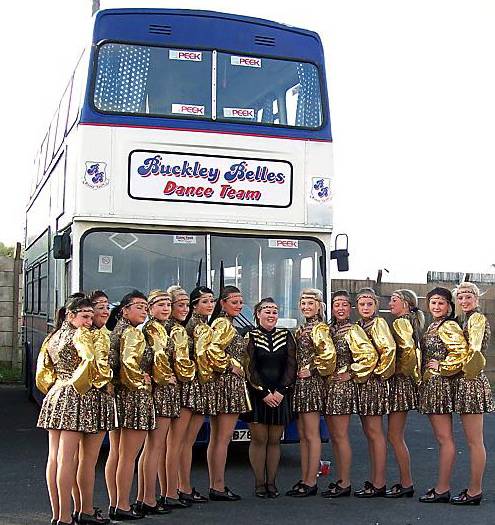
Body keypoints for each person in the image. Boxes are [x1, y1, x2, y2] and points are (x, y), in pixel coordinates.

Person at [36, 296, 99, 525]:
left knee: (55, 457)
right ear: (70, 316)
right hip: (74, 396)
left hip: (55, 394)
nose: (89, 321)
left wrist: (54, 387)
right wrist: (81, 386)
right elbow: (90, 361)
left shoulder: (52, 337)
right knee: (67, 459)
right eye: (85, 316)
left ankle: (57, 515)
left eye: (91, 317)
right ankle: (64, 516)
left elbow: (42, 372)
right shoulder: (80, 335)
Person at [418, 287, 469, 503]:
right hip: (432, 385)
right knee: (442, 439)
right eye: (433, 302)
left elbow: (461, 352)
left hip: (440, 386)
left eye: (441, 303)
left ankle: (442, 488)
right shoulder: (432, 326)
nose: (436, 306)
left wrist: (443, 366)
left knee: (445, 439)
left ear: (449, 306)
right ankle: (442, 486)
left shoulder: (448, 326)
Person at [244, 297, 296, 498]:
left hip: (280, 394)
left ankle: (271, 483)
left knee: (274, 441)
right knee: (259, 439)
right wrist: (263, 392)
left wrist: (281, 390)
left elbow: (292, 365)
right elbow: (249, 367)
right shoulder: (250, 336)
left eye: (274, 311)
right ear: (258, 314)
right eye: (267, 311)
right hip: (258, 395)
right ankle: (259, 483)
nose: (271, 315)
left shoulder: (286, 335)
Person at [202, 285, 250, 501]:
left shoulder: (224, 323)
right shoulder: (224, 324)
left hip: (221, 384)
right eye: (234, 302)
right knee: (223, 438)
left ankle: (216, 484)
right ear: (223, 303)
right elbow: (213, 349)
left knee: (217, 438)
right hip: (228, 385)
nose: (238, 306)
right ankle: (218, 486)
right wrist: (231, 366)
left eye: (240, 302)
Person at [288, 288, 336, 498]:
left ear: (319, 306)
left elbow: (328, 355)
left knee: (311, 433)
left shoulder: (320, 328)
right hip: (299, 385)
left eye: (310, 303)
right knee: (302, 435)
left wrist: (313, 369)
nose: (306, 307)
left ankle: (311, 480)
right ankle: (305, 476)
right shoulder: (301, 329)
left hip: (312, 384)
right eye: (303, 303)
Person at [450, 282, 494, 505]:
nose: (464, 301)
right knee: (472, 441)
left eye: (468, 297)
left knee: (475, 441)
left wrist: (452, 370)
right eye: (460, 298)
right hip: (466, 381)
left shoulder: (476, 319)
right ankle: (473, 488)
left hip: (471, 382)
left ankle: (475, 490)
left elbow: (474, 354)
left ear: (476, 299)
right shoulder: (464, 320)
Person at [110, 290, 153, 521]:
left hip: (118, 396)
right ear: (125, 309)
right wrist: (141, 380)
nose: (144, 310)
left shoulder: (117, 331)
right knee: (128, 456)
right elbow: (128, 365)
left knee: (117, 454)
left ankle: (115, 502)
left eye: (146, 307)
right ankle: (123, 505)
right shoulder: (132, 333)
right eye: (139, 306)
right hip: (134, 397)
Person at [351, 288, 396, 498]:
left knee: (376, 432)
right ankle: (375, 478)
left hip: (373, 382)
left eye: (369, 304)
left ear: (376, 306)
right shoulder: (359, 325)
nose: (366, 308)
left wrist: (377, 374)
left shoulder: (378, 324)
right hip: (361, 382)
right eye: (362, 305)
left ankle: (379, 482)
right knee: (369, 432)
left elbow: (389, 350)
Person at [135, 290, 176, 516]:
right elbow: (156, 360)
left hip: (158, 390)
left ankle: (145, 496)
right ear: (150, 308)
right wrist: (161, 377)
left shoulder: (158, 328)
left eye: (168, 304)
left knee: (153, 447)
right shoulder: (152, 329)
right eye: (160, 305)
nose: (166, 308)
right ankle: (148, 498)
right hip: (158, 392)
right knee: (154, 447)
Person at [75, 291, 115, 524]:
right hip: (92, 399)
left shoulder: (105, 334)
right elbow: (97, 369)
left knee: (84, 460)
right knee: (86, 459)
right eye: (98, 307)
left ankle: (83, 508)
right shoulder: (91, 336)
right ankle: (85, 510)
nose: (104, 311)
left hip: (98, 399)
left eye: (106, 307)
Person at [157, 285, 196, 509]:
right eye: (178, 305)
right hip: (180, 388)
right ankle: (171, 492)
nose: (184, 309)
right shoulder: (176, 330)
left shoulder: (169, 327)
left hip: (175, 388)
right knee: (174, 444)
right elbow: (182, 365)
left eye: (185, 305)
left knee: (171, 444)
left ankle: (171, 490)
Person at [177, 286, 217, 504]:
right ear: (194, 305)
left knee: (185, 441)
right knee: (184, 441)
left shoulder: (201, 324)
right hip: (194, 385)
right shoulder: (196, 326)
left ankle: (182, 485)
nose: (209, 305)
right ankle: (181, 486)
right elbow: (202, 358)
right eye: (204, 301)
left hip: (197, 386)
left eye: (211, 301)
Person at [385, 289, 423, 498]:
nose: (390, 303)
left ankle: (406, 482)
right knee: (395, 435)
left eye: (394, 300)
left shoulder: (401, 322)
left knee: (394, 435)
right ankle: (405, 481)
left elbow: (408, 351)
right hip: (406, 383)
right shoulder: (411, 321)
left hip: (400, 384)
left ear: (406, 304)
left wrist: (396, 370)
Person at [321, 290, 358, 498]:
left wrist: (351, 373)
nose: (340, 308)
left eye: (344, 304)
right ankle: (340, 479)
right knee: (334, 436)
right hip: (327, 386)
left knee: (341, 435)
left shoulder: (353, 330)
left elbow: (367, 356)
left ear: (350, 308)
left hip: (342, 388)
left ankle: (345, 482)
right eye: (337, 305)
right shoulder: (328, 329)